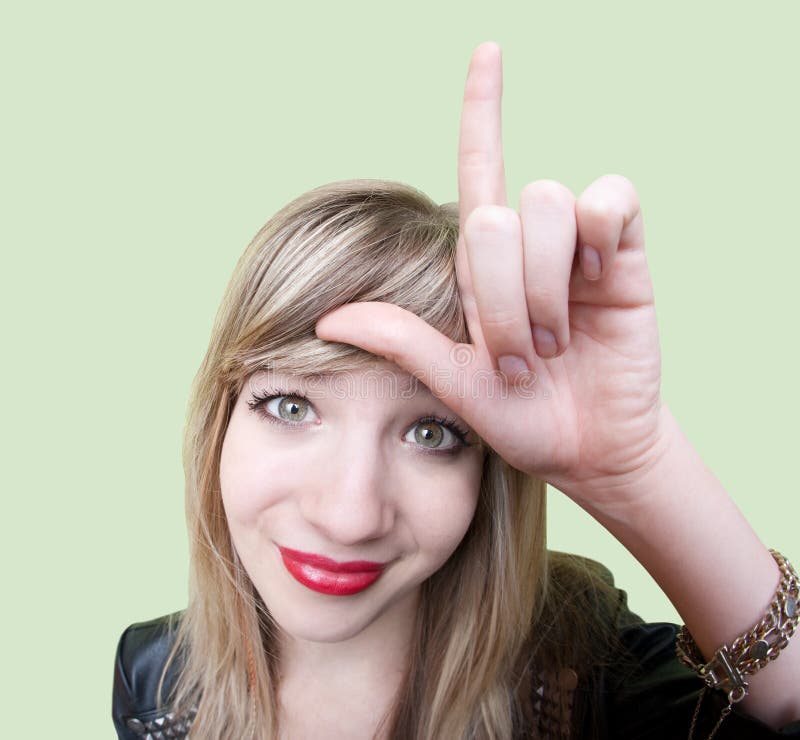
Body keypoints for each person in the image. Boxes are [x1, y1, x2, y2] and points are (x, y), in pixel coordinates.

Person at [112, 42, 800, 740]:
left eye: (431, 433)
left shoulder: (580, 668)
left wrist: (639, 467)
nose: (351, 517)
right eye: (293, 407)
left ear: (488, 465)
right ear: (221, 418)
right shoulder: (157, 676)